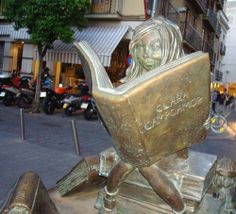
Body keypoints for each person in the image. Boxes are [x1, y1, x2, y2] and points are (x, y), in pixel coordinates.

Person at [120, 16, 184, 83]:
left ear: (171, 50)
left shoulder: (182, 87)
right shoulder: (128, 87)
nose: (146, 54)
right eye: (141, 46)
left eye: (155, 46)